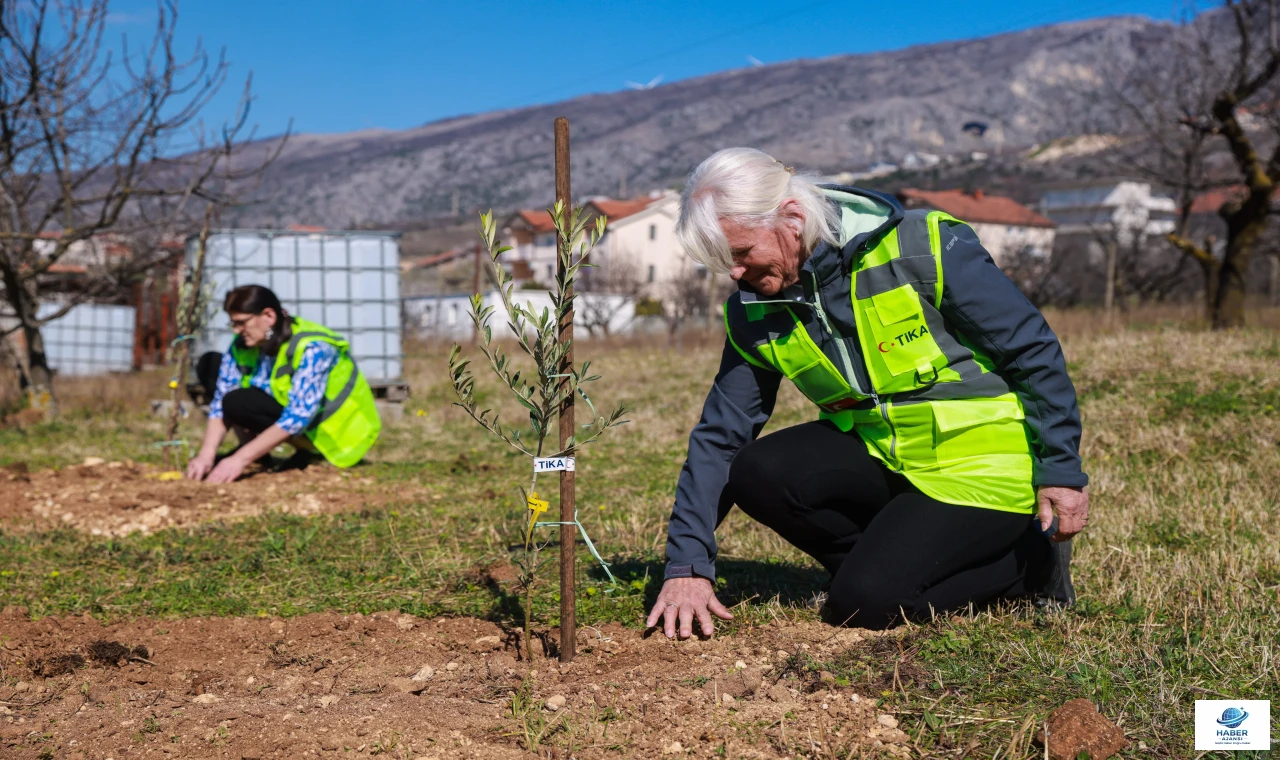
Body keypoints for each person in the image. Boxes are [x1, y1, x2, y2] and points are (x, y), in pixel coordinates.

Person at [646, 148, 1089, 639]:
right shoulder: (754, 310)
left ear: (792, 218)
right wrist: (687, 565)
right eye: (720, 261)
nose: (732, 273)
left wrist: (1061, 470)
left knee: (863, 605)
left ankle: (1028, 565)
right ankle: (890, 565)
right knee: (757, 470)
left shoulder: (920, 246)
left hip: (981, 468)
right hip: (889, 459)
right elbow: (721, 439)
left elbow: (1031, 352)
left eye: (741, 253)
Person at [185, 284, 382, 484]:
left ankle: (308, 452)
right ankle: (258, 455)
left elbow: (298, 416)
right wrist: (206, 455)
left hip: (333, 434)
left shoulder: (313, 347)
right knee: (211, 367)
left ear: (269, 316)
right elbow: (221, 398)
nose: (237, 330)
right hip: (289, 415)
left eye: (242, 323)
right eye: (233, 324)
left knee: (237, 400)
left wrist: (239, 460)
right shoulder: (243, 345)